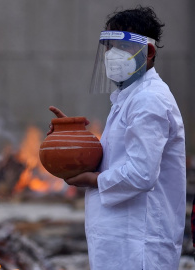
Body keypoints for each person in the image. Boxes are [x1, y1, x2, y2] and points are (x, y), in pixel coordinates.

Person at [47, 6, 186, 270]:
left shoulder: (149, 100)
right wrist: (71, 138)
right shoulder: (131, 97)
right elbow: (120, 158)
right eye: (109, 46)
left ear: (149, 52)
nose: (112, 55)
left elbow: (142, 174)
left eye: (121, 47)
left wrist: (93, 179)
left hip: (140, 245)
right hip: (122, 241)